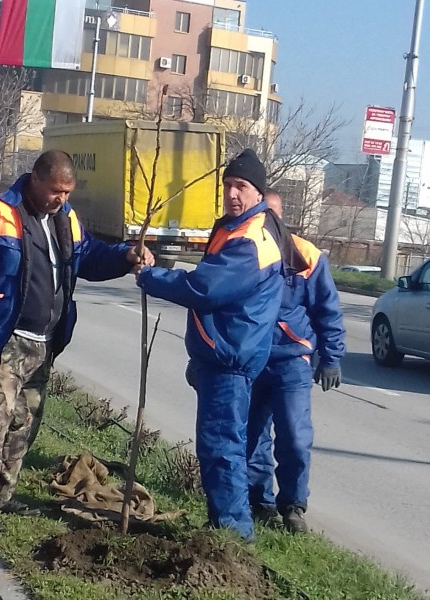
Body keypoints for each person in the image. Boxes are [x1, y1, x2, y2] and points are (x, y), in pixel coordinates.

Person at [0, 150, 153, 537]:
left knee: (23, 424)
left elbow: (88, 257)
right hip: (3, 340)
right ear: (37, 179)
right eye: (57, 191)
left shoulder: (65, 219)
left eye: (68, 192)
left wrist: (125, 255)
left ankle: (2, 495)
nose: (62, 198)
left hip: (43, 344)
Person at [136, 149, 285, 541]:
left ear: (258, 193)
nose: (233, 194)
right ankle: (228, 524)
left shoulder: (250, 239)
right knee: (229, 445)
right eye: (229, 185)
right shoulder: (238, 229)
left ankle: (233, 534)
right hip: (227, 353)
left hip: (230, 357)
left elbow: (205, 287)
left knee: (222, 448)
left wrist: (151, 277)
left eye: (242, 187)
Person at [246, 188, 346, 533]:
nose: (268, 222)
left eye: (273, 215)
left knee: (295, 436)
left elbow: (328, 310)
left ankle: (293, 504)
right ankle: (259, 501)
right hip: (251, 358)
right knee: (253, 434)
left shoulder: (307, 256)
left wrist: (330, 357)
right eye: (263, 216)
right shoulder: (245, 249)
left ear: (282, 216)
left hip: (291, 360)